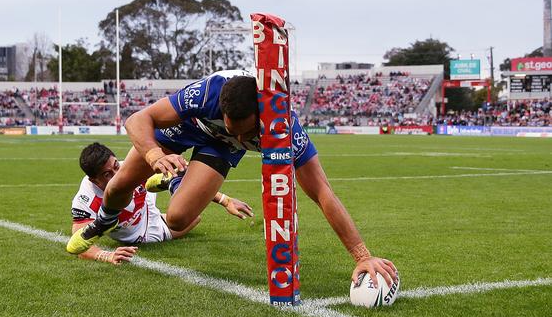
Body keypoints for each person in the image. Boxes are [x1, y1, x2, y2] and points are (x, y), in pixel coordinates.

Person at [67, 70, 397, 287]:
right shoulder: (207, 93)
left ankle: (173, 182)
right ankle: (102, 224)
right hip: (183, 130)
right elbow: (140, 118)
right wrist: (154, 156)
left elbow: (321, 191)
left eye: (248, 134)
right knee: (120, 185)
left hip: (217, 147)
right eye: (233, 129)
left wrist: (362, 255)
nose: (242, 140)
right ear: (221, 110)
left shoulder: (284, 127)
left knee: (180, 217)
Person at [70, 142, 253, 265]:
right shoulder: (85, 198)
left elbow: (194, 187)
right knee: (192, 219)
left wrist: (225, 200)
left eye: (116, 166)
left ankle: (161, 181)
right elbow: (80, 245)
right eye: (107, 174)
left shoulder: (128, 170)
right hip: (144, 236)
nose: (116, 175)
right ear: (94, 181)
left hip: (149, 212)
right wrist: (108, 255)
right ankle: (157, 184)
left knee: (190, 211)